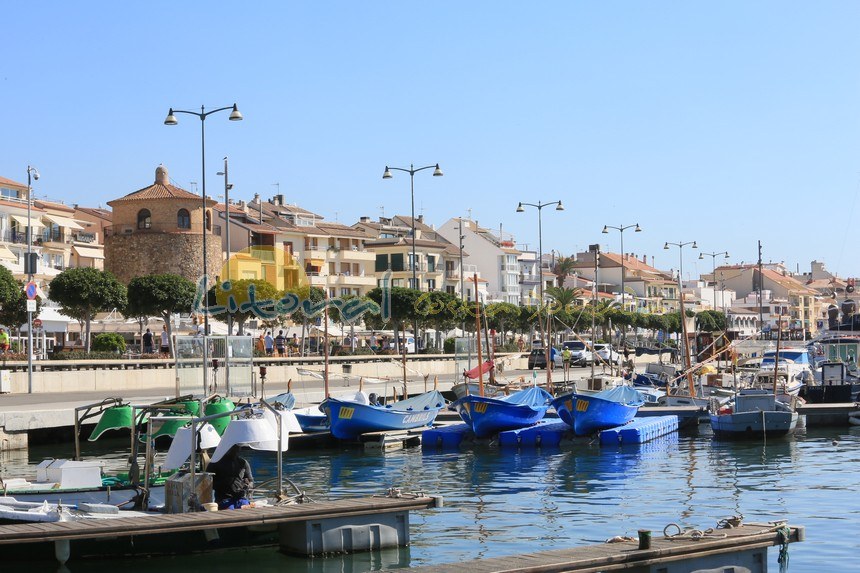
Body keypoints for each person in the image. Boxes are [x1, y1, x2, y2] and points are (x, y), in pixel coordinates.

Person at [207, 444, 254, 510]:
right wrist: (225, 482)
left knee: (248, 510)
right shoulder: (215, 462)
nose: (235, 450)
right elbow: (208, 484)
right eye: (233, 447)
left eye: (237, 447)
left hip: (241, 498)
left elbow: (251, 481)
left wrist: (248, 485)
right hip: (224, 499)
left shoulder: (243, 463)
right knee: (230, 512)